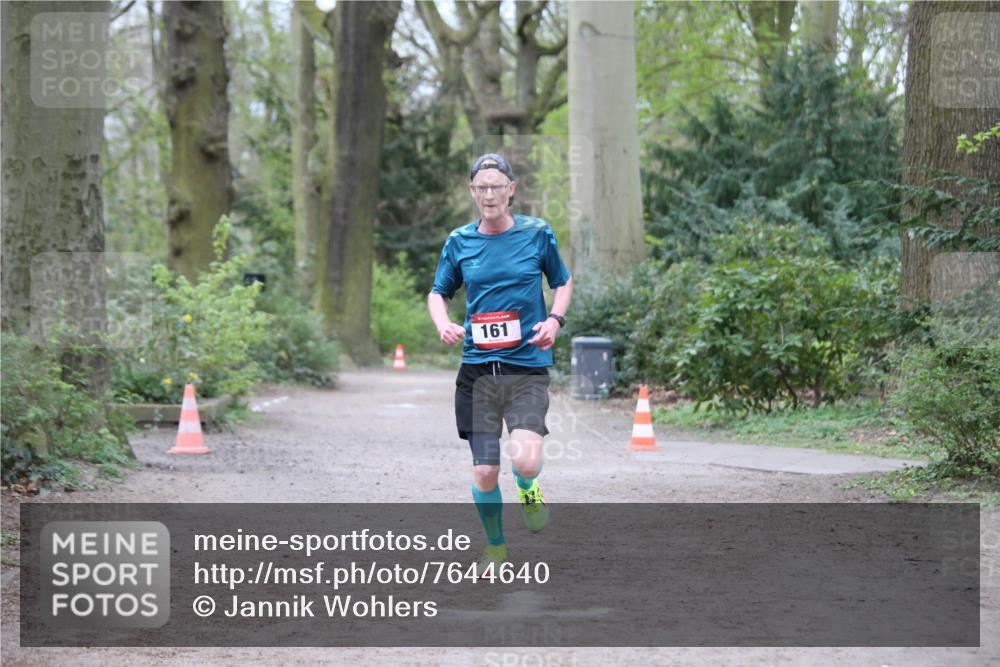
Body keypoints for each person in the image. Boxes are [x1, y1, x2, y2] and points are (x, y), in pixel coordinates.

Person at [427, 152, 573, 571]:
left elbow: (562, 282)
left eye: (497, 186)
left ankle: (529, 487)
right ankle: (496, 544)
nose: (489, 194)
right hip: (477, 373)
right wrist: (443, 323)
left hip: (525, 367)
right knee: (485, 472)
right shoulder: (459, 242)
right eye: (481, 187)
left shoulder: (537, 234)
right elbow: (439, 291)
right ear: (473, 193)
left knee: (525, 460)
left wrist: (554, 320)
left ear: (511, 190)